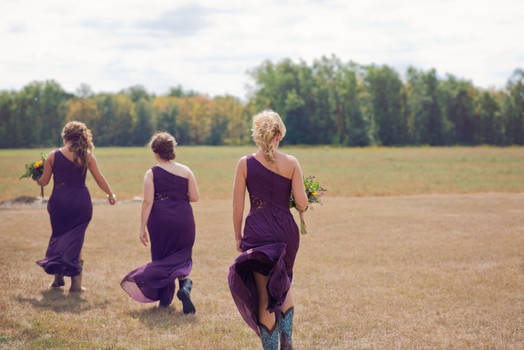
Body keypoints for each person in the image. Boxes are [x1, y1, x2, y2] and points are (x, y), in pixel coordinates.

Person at [228, 110, 308, 350]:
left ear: (257, 135)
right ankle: (287, 340)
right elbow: (302, 203)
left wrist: (237, 236)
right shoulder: (292, 163)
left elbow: (237, 205)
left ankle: (272, 347)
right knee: (284, 282)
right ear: (279, 134)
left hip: (257, 231)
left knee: (264, 293)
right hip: (286, 232)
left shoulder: (244, 163)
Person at [121, 132, 199, 313]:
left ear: (156, 152)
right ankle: (185, 286)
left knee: (162, 257)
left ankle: (164, 300)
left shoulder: (152, 173)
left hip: (160, 220)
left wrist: (142, 227)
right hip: (184, 218)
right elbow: (195, 197)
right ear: (172, 150)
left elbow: (148, 201)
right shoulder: (186, 171)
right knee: (181, 254)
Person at [36, 121, 116, 292]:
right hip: (80, 203)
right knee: (76, 241)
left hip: (59, 203)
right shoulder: (87, 156)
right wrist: (110, 194)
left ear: (65, 137)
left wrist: (36, 175)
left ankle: (58, 280)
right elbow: (99, 179)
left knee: (59, 238)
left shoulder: (53, 156)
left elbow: (43, 182)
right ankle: (76, 285)